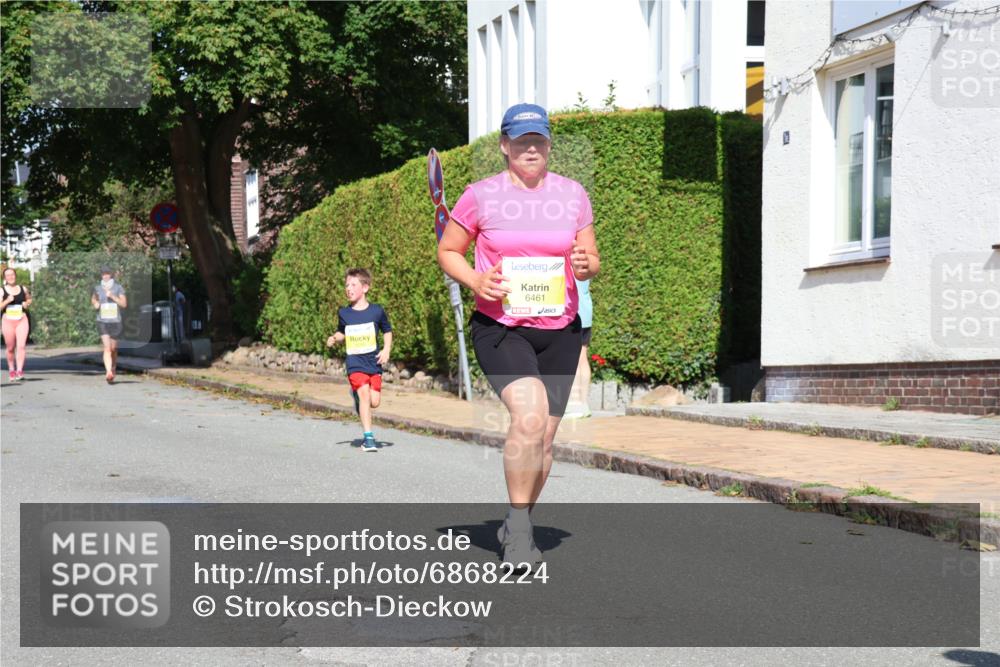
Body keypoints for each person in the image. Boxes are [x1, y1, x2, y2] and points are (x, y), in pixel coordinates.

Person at [437, 103, 600, 569]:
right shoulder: (480, 196)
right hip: (501, 327)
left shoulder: (572, 195)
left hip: (561, 330)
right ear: (506, 146)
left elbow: (590, 256)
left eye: (539, 140)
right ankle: (519, 532)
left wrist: (588, 265)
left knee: (544, 440)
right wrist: (475, 281)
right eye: (521, 140)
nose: (531, 148)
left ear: (548, 145)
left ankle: (519, 517)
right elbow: (448, 250)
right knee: (528, 419)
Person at [326, 268, 393, 453]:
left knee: (374, 401)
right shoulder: (344, 313)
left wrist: (386, 350)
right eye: (346, 285)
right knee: (364, 394)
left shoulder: (377, 311)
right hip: (354, 363)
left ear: (365, 287)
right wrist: (335, 338)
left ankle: (357, 396)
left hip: (374, 363)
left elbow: (387, 331)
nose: (348, 288)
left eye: (353, 285)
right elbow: (342, 332)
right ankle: (368, 438)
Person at [562, 277, 593, 419]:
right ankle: (583, 403)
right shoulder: (585, 261)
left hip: (572, 315)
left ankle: (574, 405)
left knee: (572, 360)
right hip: (586, 314)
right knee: (582, 359)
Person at [91, 266, 127, 384]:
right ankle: (108, 372)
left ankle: (113, 367)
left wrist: (112, 296)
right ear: (101, 275)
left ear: (111, 275)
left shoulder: (118, 287)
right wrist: (96, 304)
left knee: (113, 348)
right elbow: (94, 300)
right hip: (102, 321)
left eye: (107, 274)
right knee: (107, 348)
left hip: (115, 321)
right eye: (103, 274)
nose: (105, 276)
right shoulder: (97, 288)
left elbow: (124, 304)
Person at [2, 267, 32, 382]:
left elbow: (29, 299)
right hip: (8, 321)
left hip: (21, 319)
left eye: (12, 274)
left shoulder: (23, 288)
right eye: (8, 275)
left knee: (21, 346)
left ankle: (19, 370)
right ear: (5, 278)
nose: (10, 277)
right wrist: (7, 301)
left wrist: (26, 303)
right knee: (10, 347)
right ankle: (11, 369)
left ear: (15, 275)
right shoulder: (1, 290)